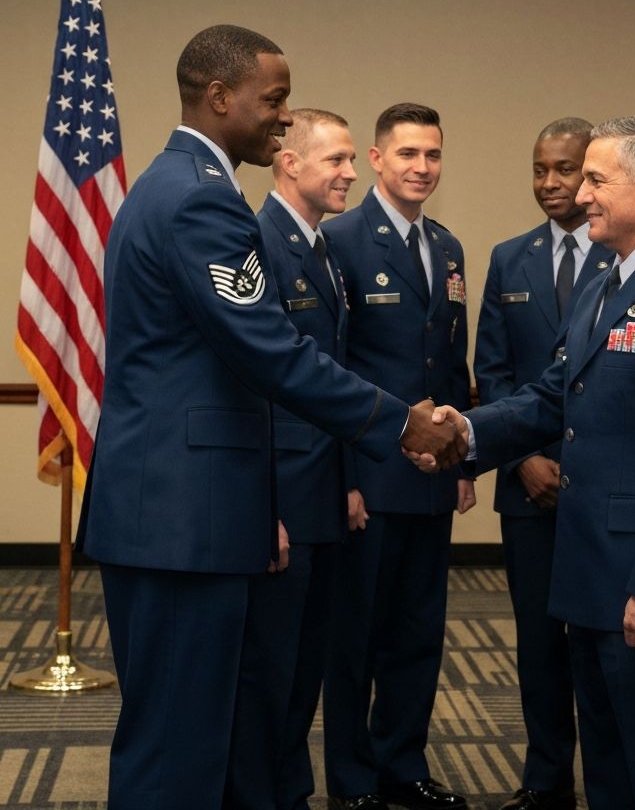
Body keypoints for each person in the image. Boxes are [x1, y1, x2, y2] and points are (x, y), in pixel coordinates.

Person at [77, 25, 462, 810]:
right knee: (176, 751)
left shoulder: (174, 185)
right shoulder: (199, 201)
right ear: (220, 99)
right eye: (274, 101)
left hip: (179, 512)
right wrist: (401, 422)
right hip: (182, 518)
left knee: (195, 736)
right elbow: (274, 351)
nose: (283, 120)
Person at [430, 116, 635, 810]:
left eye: (597, 179)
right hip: (585, 565)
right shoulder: (604, 284)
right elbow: (549, 398)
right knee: (604, 760)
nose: (580, 194)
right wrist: (465, 434)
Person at [321, 102, 475, 810]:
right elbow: (332, 369)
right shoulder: (341, 240)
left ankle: (401, 767)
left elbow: (450, 365)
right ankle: (352, 780)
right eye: (408, 154)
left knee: (419, 632)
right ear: (377, 160)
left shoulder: (447, 248)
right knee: (356, 638)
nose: (422, 167)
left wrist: (462, 459)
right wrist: (346, 477)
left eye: (433, 155)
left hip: (432, 478)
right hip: (370, 477)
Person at [474, 117, 613, 810]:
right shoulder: (510, 257)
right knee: (536, 641)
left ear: (591, 175)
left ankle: (613, 778)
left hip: (599, 489)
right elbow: (493, 373)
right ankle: (545, 778)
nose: (550, 183)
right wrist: (524, 457)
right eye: (540, 170)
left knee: (601, 642)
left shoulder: (623, 257)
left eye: (565, 170)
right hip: (528, 486)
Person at [227, 108, 361, 810]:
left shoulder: (320, 247)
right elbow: (258, 386)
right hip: (280, 503)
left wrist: (347, 484)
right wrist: (267, 508)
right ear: (290, 164)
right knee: (267, 674)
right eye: (336, 160)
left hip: (321, 498)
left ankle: (288, 791)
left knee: (303, 670)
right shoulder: (259, 243)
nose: (349, 173)